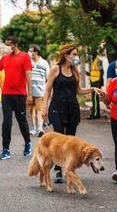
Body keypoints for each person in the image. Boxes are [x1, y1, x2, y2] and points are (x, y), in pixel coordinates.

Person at [41, 44, 101, 183]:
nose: (76, 57)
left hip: (72, 108)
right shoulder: (55, 69)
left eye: (76, 54)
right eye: (74, 54)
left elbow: (79, 91)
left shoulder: (75, 71)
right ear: (66, 55)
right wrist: (44, 108)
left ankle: (68, 169)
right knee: (60, 140)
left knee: (71, 141)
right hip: (57, 107)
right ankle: (58, 171)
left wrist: (92, 89)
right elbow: (47, 90)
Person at [0, 36, 33, 160]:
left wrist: (30, 94)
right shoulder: (5, 58)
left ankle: (28, 143)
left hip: (20, 95)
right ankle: (6, 149)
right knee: (6, 122)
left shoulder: (24, 57)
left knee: (21, 120)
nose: (7, 48)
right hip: (6, 94)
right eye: (6, 45)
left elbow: (28, 75)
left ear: (15, 44)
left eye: (9, 45)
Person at [27, 44, 50, 137]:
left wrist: (48, 90)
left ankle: (40, 128)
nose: (29, 53)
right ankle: (33, 128)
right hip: (29, 91)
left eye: (31, 51)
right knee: (31, 109)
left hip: (40, 91)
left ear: (36, 52)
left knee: (39, 110)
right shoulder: (28, 62)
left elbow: (48, 77)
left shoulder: (44, 63)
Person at [86, 52, 104, 120]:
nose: (90, 56)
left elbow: (102, 71)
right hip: (93, 81)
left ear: (95, 54)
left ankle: (95, 114)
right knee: (94, 99)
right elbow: (95, 72)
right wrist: (89, 74)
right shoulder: (93, 61)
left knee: (95, 99)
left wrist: (100, 83)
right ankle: (97, 114)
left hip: (97, 82)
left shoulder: (98, 61)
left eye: (91, 54)